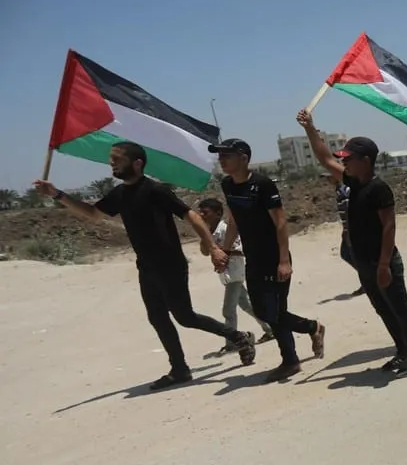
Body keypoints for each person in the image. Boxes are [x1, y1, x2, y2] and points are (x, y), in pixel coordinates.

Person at [33, 141, 256, 389]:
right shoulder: (120, 193)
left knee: (184, 317)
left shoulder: (155, 190)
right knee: (157, 317)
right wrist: (57, 194)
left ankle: (238, 337)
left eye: (117, 159)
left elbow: (190, 215)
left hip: (170, 264)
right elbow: (94, 214)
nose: (111, 163)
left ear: (137, 163)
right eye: (111, 159)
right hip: (147, 267)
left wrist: (213, 247)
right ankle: (179, 369)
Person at [296, 109, 407, 377]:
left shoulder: (379, 188)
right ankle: (401, 351)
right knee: (383, 309)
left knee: (400, 309)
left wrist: (384, 265)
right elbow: (324, 158)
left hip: (382, 262)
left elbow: (389, 227)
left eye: (349, 158)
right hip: (364, 261)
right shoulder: (353, 182)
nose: (344, 163)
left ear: (365, 161)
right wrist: (310, 128)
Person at [209, 138, 325, 383]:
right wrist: (225, 251)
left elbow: (280, 222)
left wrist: (284, 260)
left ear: (243, 158)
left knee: (275, 312)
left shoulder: (262, 184)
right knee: (264, 310)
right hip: (253, 258)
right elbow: (233, 220)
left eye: (227, 155)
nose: (222, 159)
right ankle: (312, 327)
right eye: (220, 155)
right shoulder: (227, 184)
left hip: (274, 257)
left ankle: (290, 360)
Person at [195, 197, 273, 354]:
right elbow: (205, 252)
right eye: (200, 212)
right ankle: (271, 329)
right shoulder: (209, 232)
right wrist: (205, 238)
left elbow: (241, 249)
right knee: (246, 305)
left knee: (228, 310)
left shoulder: (225, 229)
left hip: (234, 273)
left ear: (218, 213)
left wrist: (223, 253)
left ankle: (232, 342)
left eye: (205, 212)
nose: (202, 215)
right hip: (226, 275)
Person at [332, 171, 365, 296]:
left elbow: (349, 210)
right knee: (347, 254)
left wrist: (348, 230)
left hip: (352, 230)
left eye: (329, 177)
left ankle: (368, 280)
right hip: (350, 229)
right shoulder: (340, 190)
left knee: (352, 255)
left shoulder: (343, 191)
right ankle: (367, 279)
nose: (327, 180)